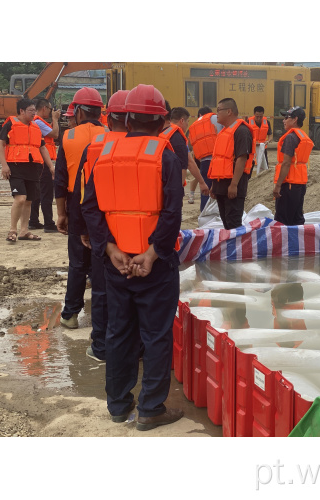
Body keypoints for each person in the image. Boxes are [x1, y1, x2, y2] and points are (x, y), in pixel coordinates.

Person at [81, 84, 184, 430]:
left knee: (119, 332)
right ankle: (152, 408)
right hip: (154, 265)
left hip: (117, 264)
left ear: (124, 118)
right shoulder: (164, 155)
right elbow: (171, 213)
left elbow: (91, 208)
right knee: (155, 335)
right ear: (162, 120)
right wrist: (153, 254)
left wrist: (110, 250)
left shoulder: (105, 154)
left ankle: (118, 406)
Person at [74, 90, 130, 362]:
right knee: (137, 293)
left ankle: (101, 347)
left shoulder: (96, 147)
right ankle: (137, 348)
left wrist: (84, 230)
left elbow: (82, 195)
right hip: (140, 236)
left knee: (102, 291)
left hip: (103, 232)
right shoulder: (156, 148)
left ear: (109, 117)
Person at [54, 87, 107, 329]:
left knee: (77, 262)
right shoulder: (110, 135)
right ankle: (102, 317)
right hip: (105, 203)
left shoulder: (68, 137)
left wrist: (61, 213)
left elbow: (61, 179)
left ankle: (71, 314)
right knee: (101, 259)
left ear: (80, 112)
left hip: (76, 203)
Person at [0, 98, 52, 242]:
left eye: (34, 110)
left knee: (29, 200)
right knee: (20, 199)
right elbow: (0, 145)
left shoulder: (35, 127)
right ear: (21, 111)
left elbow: (42, 147)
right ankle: (12, 230)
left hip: (33, 167)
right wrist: (4, 165)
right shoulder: (10, 125)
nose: (34, 113)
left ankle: (24, 231)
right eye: (31, 111)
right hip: (15, 167)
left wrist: (51, 166)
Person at [208, 97, 255, 230]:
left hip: (233, 188)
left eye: (219, 110)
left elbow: (242, 159)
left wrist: (234, 185)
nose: (216, 114)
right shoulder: (224, 132)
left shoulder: (242, 131)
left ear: (229, 112)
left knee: (233, 225)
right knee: (226, 224)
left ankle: (237, 250)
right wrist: (214, 185)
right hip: (221, 187)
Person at [273, 106, 314, 226]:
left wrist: (278, 185)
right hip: (300, 184)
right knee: (297, 219)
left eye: (286, 117)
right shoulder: (303, 136)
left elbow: (286, 163)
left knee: (283, 221)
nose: (283, 120)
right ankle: (299, 244)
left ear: (295, 119)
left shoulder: (290, 137)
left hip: (288, 184)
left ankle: (284, 245)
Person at [160, 106, 209, 200]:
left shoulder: (162, 132)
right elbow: (188, 163)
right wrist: (202, 182)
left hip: (161, 183)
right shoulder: (178, 137)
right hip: (173, 187)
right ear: (182, 120)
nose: (187, 125)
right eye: (187, 121)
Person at [29, 98, 60, 232]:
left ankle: (33, 220)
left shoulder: (36, 122)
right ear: (44, 108)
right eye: (49, 108)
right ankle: (49, 223)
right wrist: (56, 119)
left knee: (37, 193)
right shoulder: (38, 122)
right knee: (46, 193)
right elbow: (55, 134)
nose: (50, 111)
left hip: (39, 161)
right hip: (44, 162)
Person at [188, 106, 224, 211]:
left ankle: (204, 213)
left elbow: (192, 144)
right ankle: (218, 213)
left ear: (199, 115)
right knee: (219, 189)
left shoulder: (195, 125)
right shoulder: (216, 118)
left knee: (205, 190)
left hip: (204, 161)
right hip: (219, 159)